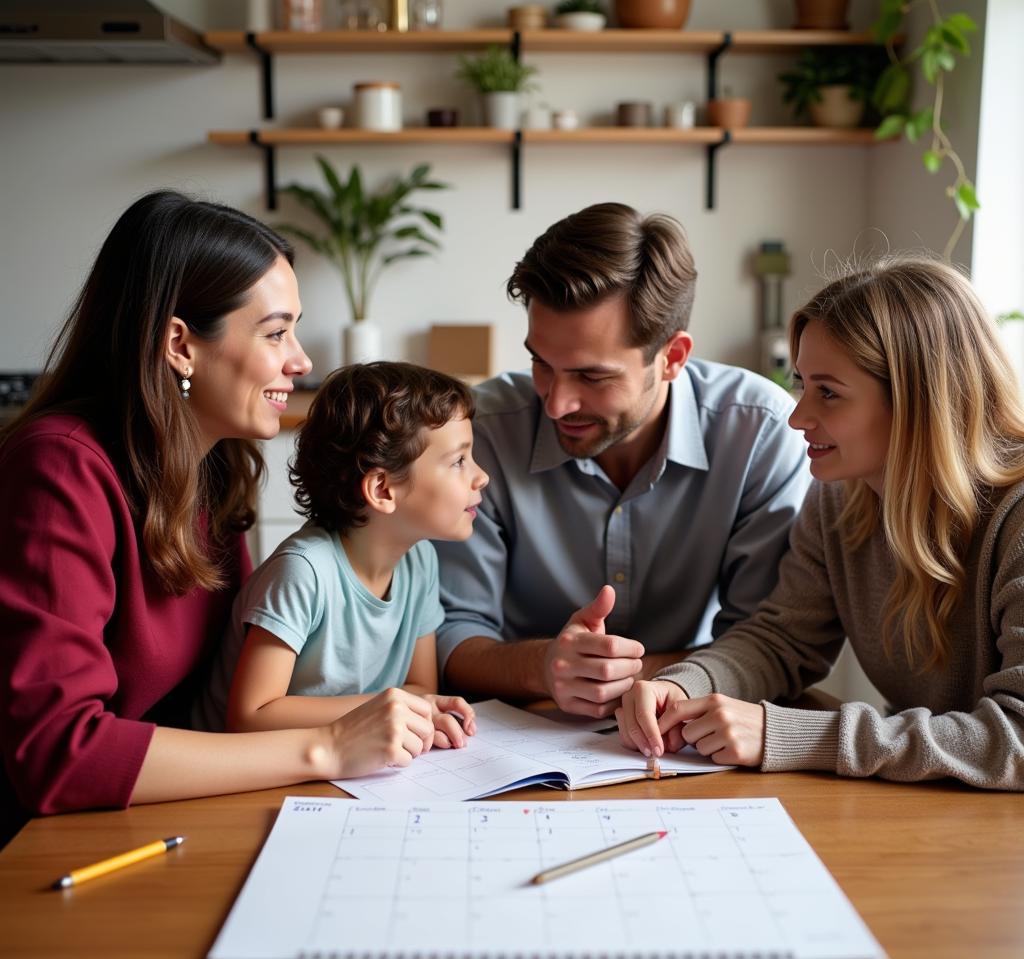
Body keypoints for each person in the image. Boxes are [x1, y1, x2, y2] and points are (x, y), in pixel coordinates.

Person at [0, 192, 437, 842]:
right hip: (47, 838)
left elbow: (229, 679)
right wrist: (328, 747)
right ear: (180, 344)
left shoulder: (212, 465)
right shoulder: (60, 470)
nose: (302, 360)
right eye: (275, 332)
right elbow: (59, 752)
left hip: (162, 815)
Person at [616, 257, 1024, 790]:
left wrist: (793, 734)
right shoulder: (840, 498)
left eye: (827, 392)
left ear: (917, 399)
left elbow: (1016, 737)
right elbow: (782, 641)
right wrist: (685, 686)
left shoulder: (1015, 518)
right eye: (802, 384)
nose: (797, 416)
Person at [435, 202, 810, 717]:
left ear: (673, 357)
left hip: (692, 724)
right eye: (541, 364)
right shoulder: (484, 436)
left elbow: (768, 640)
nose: (556, 402)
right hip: (521, 728)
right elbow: (451, 634)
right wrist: (544, 665)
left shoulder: (762, 433)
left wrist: (632, 680)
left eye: (592, 376)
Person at [194, 362, 487, 748]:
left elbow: (418, 686)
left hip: (336, 760)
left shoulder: (421, 562)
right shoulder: (303, 572)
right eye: (458, 461)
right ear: (382, 490)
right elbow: (250, 716)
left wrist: (419, 705)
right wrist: (384, 707)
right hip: (238, 777)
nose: (481, 476)